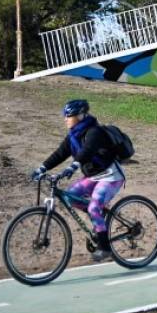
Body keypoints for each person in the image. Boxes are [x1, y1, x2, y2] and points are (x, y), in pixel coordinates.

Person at [31, 99, 125, 262]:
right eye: (65, 115)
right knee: (70, 196)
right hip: (93, 177)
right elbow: (60, 153)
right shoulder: (73, 135)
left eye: (69, 115)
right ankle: (99, 221)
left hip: (110, 176)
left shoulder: (95, 132)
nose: (65, 119)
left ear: (81, 116)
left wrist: (73, 166)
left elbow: (87, 151)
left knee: (94, 208)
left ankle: (105, 248)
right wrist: (42, 168)